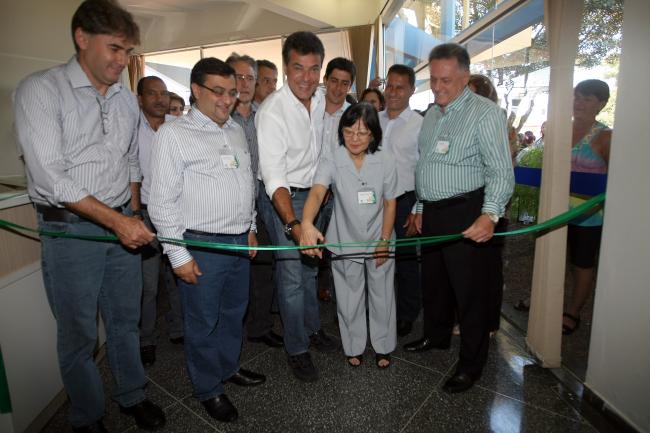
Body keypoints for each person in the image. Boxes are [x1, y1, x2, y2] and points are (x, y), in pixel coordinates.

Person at [13, 1, 166, 431]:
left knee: (126, 321)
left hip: (122, 224)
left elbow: (131, 161)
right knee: (79, 334)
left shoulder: (123, 99)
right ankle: (87, 415)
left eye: (128, 52)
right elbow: (49, 177)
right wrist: (118, 223)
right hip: (71, 232)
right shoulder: (40, 90)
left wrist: (131, 214)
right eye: (115, 49)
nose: (122, 61)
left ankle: (132, 396)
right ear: (82, 38)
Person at [148, 57, 266, 423]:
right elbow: (160, 200)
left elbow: (246, 183)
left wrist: (250, 226)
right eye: (218, 91)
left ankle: (228, 368)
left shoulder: (234, 130)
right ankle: (208, 389)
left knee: (233, 314)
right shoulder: (174, 134)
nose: (226, 99)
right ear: (196, 90)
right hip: (201, 244)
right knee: (203, 322)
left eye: (232, 92)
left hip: (237, 241)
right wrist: (177, 255)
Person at [405, 43, 514, 394]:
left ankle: (471, 363)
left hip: (467, 211)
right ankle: (436, 338)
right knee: (434, 283)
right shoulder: (433, 113)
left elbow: (501, 172)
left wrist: (490, 214)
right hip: (433, 212)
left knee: (470, 294)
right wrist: (421, 208)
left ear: (465, 78)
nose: (437, 87)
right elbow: (425, 164)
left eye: (446, 80)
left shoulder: (486, 114)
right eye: (433, 80)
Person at [256, 31, 337, 383]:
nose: (306, 77)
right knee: (291, 275)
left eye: (313, 69)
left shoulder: (320, 101)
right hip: (282, 198)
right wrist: (293, 223)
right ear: (286, 68)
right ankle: (297, 349)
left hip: (314, 195)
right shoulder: (273, 111)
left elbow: (322, 153)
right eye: (298, 68)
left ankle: (311, 329)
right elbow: (274, 178)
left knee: (310, 268)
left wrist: (321, 194)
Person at [300, 102, 398, 368]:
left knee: (382, 294)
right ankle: (353, 345)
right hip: (345, 238)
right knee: (348, 295)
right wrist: (307, 223)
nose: (354, 139)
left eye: (362, 133)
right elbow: (318, 192)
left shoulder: (385, 159)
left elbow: (390, 202)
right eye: (348, 132)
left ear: (373, 135)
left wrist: (385, 240)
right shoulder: (333, 157)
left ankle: (383, 345)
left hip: (381, 236)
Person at [226, 52, 283, 348]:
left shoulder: (265, 116)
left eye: (250, 78)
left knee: (264, 263)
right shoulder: (221, 119)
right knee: (232, 272)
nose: (245, 84)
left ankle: (259, 326)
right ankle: (231, 334)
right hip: (230, 205)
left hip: (263, 199)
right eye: (239, 77)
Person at [135, 76, 184, 368]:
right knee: (149, 284)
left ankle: (180, 329)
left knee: (178, 274)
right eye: (152, 93)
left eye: (164, 93)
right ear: (140, 98)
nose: (160, 98)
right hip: (145, 214)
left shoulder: (177, 127)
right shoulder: (132, 130)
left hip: (176, 211)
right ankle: (146, 339)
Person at [563, 79, 612, 335]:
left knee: (581, 263)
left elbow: (616, 180)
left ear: (601, 104)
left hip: (589, 216)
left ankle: (573, 310)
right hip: (556, 211)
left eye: (587, 99)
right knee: (550, 256)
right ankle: (542, 299)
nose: (578, 103)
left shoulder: (605, 136)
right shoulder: (560, 129)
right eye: (576, 97)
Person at [379, 64, 423, 337]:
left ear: (411, 90)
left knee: (406, 261)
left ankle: (407, 314)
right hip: (377, 202)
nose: (393, 92)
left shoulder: (420, 124)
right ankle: (382, 309)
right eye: (390, 85)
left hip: (406, 200)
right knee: (379, 257)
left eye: (400, 87)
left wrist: (419, 206)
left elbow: (426, 169)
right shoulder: (375, 119)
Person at [318, 57, 356, 302]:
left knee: (339, 248)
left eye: (345, 83)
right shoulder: (308, 109)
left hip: (340, 194)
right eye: (334, 81)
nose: (338, 88)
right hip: (309, 191)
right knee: (310, 247)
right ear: (325, 80)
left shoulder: (354, 116)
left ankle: (336, 295)